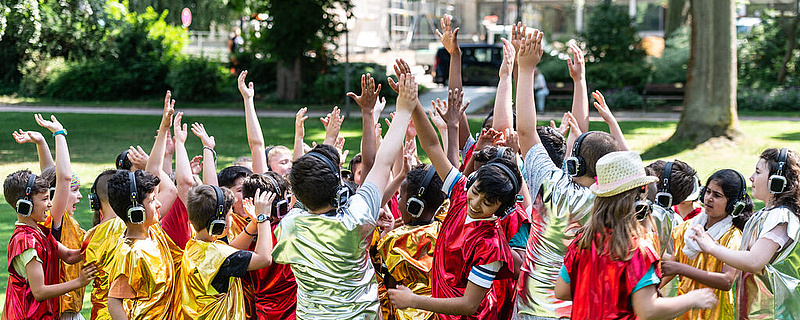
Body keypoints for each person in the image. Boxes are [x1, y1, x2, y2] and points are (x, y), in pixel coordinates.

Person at [270, 73, 416, 319]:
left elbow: (302, 195)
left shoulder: (289, 226)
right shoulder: (357, 216)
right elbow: (382, 163)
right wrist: (403, 110)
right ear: (340, 188)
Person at [387, 70, 518, 318]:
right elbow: (433, 146)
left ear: (501, 208)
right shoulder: (460, 192)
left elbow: (469, 304)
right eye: (476, 192)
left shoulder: (491, 245)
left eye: (488, 202)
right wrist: (414, 103)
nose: (476, 203)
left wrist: (414, 300)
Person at [514, 30, 620, 319]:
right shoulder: (607, 202)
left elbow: (525, 130)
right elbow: (582, 136)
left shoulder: (550, 183)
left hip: (531, 307)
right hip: (577, 308)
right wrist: (579, 82)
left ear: (573, 163)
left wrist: (525, 70)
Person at [554, 151, 718, 319]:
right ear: (641, 197)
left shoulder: (583, 241)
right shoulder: (637, 249)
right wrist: (691, 299)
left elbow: (561, 291)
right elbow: (648, 310)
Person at [692, 148, 800, 318]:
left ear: (776, 181)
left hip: (775, 314)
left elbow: (754, 261)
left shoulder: (781, 217)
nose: (751, 177)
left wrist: (712, 247)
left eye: (758, 172)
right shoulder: (765, 215)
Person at [4, 169, 98, 320]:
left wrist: (99, 234)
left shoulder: (40, 232)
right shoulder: (26, 242)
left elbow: (69, 255)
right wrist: (78, 282)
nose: (50, 204)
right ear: (24, 205)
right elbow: (39, 291)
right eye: (45, 199)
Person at [662, 169, 753, 319]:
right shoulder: (687, 228)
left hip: (716, 314)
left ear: (732, 204)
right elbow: (673, 265)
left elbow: (727, 281)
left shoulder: (734, 236)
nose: (709, 198)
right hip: (684, 313)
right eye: (708, 192)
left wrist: (682, 269)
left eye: (717, 195)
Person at [177, 185, 276, 319]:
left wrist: (253, 224)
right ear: (217, 223)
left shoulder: (196, 245)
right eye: (230, 215)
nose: (232, 218)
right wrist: (264, 217)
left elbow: (232, 249)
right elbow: (264, 259)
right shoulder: (219, 256)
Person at [376, 163, 446, 320]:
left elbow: (390, 287)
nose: (398, 201)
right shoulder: (446, 230)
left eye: (401, 196)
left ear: (414, 206)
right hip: (443, 311)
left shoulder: (393, 241)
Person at [240, 173, 298, 319]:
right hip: (294, 310)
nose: (288, 204)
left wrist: (257, 222)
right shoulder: (290, 228)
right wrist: (261, 218)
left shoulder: (247, 234)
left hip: (263, 312)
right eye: (286, 199)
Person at [83, 170, 128, 320]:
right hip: (129, 311)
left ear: (94, 201)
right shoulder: (134, 228)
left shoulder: (89, 237)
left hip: (101, 313)